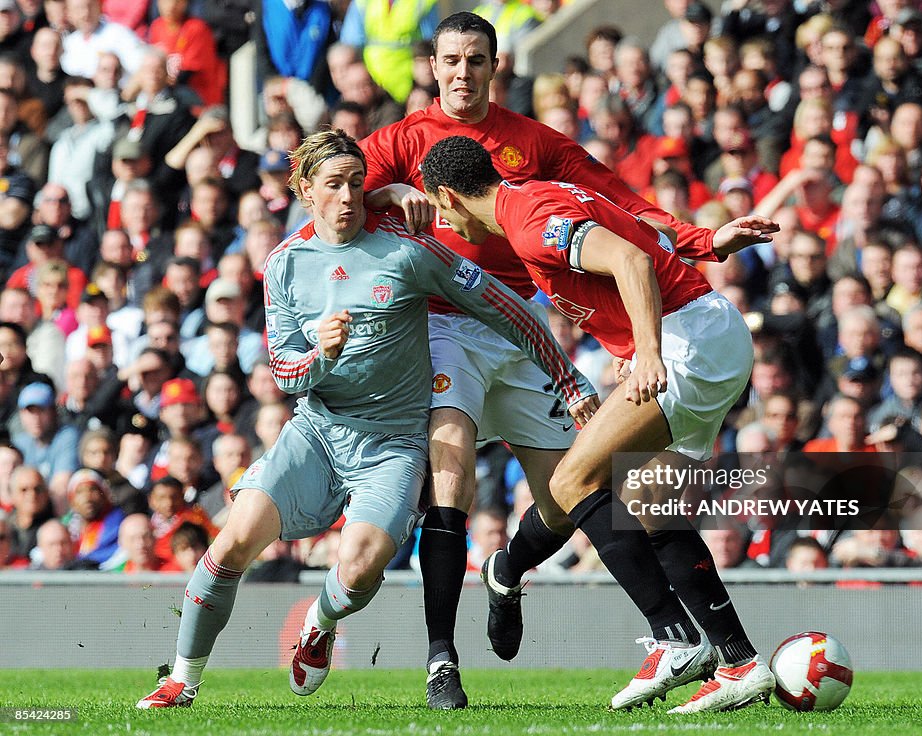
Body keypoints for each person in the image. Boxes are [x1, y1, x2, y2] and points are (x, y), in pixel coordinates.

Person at [135, 129, 595, 710]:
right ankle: (182, 678)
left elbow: (510, 310)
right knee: (230, 544)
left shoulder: (409, 250)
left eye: (357, 182)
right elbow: (282, 371)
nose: (350, 195)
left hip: (394, 444)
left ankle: (320, 624)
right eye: (334, 184)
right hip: (317, 430)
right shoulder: (284, 264)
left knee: (360, 566)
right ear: (305, 191)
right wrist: (317, 357)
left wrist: (569, 378)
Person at [361, 12, 743, 709]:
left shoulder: (532, 144)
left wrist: (702, 240)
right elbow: (331, 190)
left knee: (575, 488)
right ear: (431, 66)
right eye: (450, 60)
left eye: (476, 59)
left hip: (517, 324)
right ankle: (442, 660)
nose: (462, 72)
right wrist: (383, 192)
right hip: (443, 323)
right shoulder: (401, 139)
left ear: (495, 64)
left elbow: (621, 203)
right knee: (451, 473)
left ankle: (536, 586)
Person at [417, 134, 780, 715]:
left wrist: (649, 349)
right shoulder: (537, 201)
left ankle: (674, 639)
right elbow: (647, 237)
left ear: (447, 196)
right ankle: (739, 662)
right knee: (645, 502)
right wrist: (704, 247)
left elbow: (632, 260)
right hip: (710, 333)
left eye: (437, 209)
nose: (441, 221)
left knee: (570, 483)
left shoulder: (531, 220)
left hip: (688, 342)